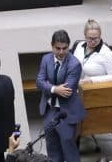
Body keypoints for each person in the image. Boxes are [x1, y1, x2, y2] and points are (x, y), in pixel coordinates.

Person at [35, 29, 86, 162]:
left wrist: (49, 86)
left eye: (65, 48)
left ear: (68, 46)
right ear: (52, 46)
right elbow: (39, 82)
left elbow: (67, 91)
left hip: (67, 112)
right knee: (52, 147)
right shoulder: (46, 59)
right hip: (50, 110)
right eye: (58, 48)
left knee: (68, 148)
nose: (61, 52)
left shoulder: (74, 64)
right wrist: (54, 89)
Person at [72, 19, 112, 84]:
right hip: (76, 86)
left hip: (95, 89)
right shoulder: (79, 46)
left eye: (96, 38)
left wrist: (92, 80)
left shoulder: (107, 53)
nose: (93, 41)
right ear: (85, 36)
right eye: (90, 38)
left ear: (100, 36)